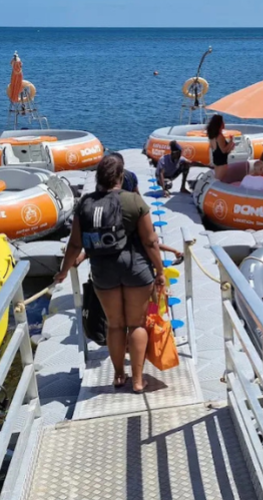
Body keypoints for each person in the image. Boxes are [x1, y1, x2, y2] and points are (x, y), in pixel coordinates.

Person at [55, 155, 165, 392]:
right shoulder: (134, 201)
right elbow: (150, 241)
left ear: (98, 178)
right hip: (136, 270)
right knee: (136, 325)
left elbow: (75, 245)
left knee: (114, 325)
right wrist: (160, 270)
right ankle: (137, 381)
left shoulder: (85, 204)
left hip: (103, 272)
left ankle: (118, 376)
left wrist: (63, 272)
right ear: (121, 176)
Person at [207, 114, 235, 180]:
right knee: (218, 182)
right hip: (222, 164)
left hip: (216, 162)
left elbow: (217, 150)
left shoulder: (212, 136)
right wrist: (231, 141)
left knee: (216, 180)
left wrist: (230, 147)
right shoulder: (219, 136)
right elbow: (223, 150)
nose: (224, 123)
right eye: (223, 122)